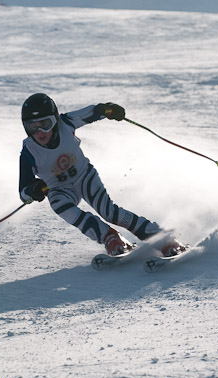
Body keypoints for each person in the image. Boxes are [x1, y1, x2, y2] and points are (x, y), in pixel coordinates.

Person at [18, 93, 185, 257]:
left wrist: (108, 110)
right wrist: (33, 189)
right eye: (32, 126)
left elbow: (91, 112)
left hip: (84, 177)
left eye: (45, 124)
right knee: (58, 204)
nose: (40, 131)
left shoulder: (66, 124)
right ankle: (110, 237)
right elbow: (23, 191)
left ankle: (160, 237)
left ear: (55, 120)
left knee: (108, 212)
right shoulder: (29, 152)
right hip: (59, 188)